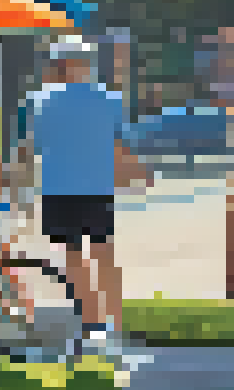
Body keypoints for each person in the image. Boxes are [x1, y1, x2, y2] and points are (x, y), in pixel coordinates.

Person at [24, 39, 148, 357]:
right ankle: (115, 326)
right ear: (86, 64)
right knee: (104, 254)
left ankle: (91, 325)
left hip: (58, 188)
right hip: (98, 187)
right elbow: (121, 146)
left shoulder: (41, 100)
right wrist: (137, 175)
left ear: (58, 65)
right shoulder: (110, 99)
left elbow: (34, 146)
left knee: (73, 258)